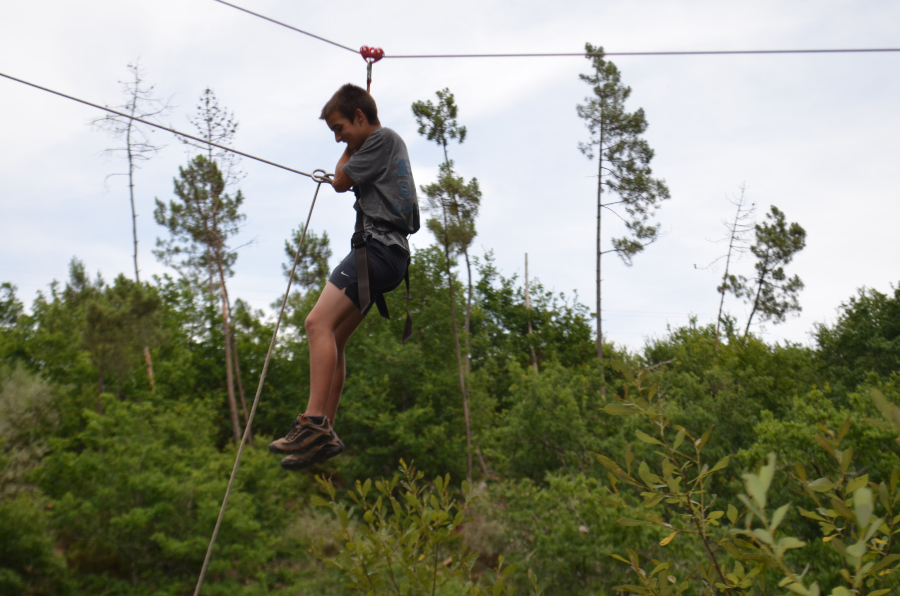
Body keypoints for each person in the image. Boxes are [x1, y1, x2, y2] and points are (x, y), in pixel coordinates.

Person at [268, 83, 419, 470]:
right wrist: (353, 141)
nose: (338, 139)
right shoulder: (384, 143)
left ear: (359, 116)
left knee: (316, 322)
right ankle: (326, 433)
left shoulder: (381, 138)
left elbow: (340, 181)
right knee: (333, 337)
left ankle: (314, 421)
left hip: (378, 250)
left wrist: (350, 147)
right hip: (390, 257)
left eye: (340, 128)